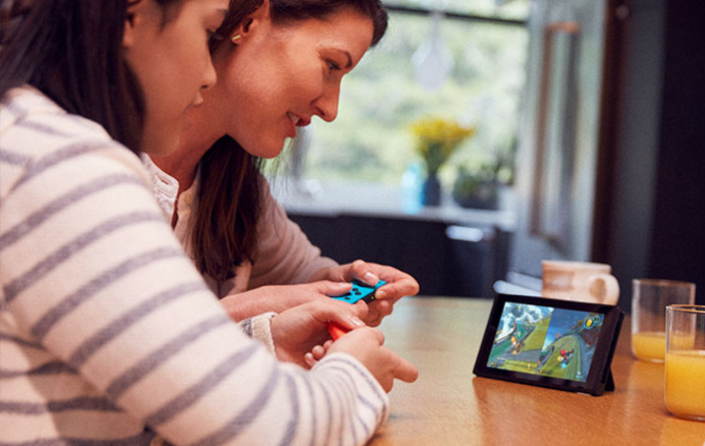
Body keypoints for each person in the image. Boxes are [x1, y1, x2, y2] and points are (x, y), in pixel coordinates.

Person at [0, 0, 417, 443]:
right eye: (208, 32)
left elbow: (139, 374)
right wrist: (355, 371)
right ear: (131, 17)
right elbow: (274, 430)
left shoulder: (34, 144)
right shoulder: (64, 169)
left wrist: (267, 336)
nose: (209, 73)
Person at [147, 0, 420, 326]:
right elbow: (128, 336)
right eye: (332, 65)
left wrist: (338, 282)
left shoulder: (236, 191)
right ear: (249, 23)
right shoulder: (98, 160)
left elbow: (302, 273)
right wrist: (260, 304)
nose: (331, 111)